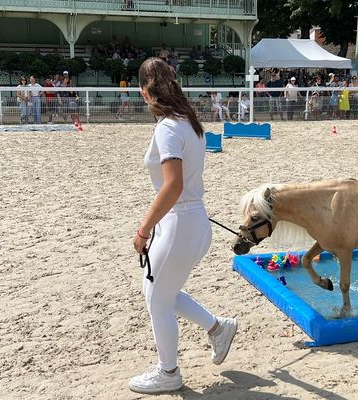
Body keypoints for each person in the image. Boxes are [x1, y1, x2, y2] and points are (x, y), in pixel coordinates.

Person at [129, 57, 238, 394]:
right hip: (191, 220)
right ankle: (218, 328)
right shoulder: (189, 122)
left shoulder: (167, 127)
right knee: (160, 291)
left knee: (158, 301)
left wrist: (143, 229)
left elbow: (172, 185)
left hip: (179, 222)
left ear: (145, 92)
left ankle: (169, 371)